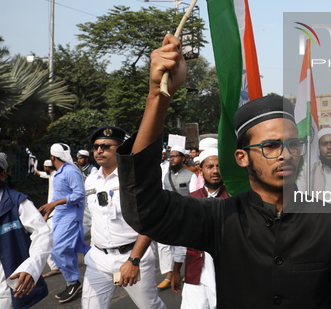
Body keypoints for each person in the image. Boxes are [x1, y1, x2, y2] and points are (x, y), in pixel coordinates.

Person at [117, 34, 331, 308]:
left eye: (293, 144)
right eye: (270, 146)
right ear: (242, 158)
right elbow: (144, 210)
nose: (285, 154)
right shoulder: (220, 218)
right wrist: (157, 96)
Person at [82, 126, 165, 309]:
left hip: (132, 256)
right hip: (98, 257)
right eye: (96, 147)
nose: (99, 151)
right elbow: (89, 217)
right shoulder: (91, 180)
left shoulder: (134, 179)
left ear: (120, 149)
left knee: (149, 306)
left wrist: (133, 260)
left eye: (105, 146)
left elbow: (150, 220)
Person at [0, 151, 53, 308]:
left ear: (2, 175)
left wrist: (31, 267)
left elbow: (43, 234)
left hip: (1, 291)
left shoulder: (16, 203)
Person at [171, 147, 229, 309]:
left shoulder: (233, 198)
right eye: (210, 167)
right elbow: (182, 240)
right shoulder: (192, 200)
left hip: (225, 272)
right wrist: (176, 270)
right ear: (200, 170)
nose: (215, 171)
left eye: (219, 166)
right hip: (195, 272)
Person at [37, 143, 89, 303]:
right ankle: (72, 283)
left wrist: (55, 204)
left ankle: (74, 281)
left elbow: (79, 194)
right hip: (60, 215)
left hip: (71, 215)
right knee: (65, 249)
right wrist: (48, 212)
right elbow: (56, 196)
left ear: (53, 157)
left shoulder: (70, 171)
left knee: (58, 248)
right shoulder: (60, 172)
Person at [157, 144, 197, 290]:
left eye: (175, 156)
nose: (171, 159)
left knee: (183, 247)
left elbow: (194, 198)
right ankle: (169, 275)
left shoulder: (191, 176)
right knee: (164, 245)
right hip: (168, 216)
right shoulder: (166, 176)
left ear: (183, 158)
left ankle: (181, 272)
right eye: (170, 156)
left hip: (185, 217)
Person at [35, 160, 61, 278]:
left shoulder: (56, 177)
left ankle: (56, 266)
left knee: (47, 239)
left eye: (44, 166)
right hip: (52, 212)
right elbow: (42, 174)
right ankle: (56, 266)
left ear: (47, 167)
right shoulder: (52, 175)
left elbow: (57, 197)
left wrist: (48, 212)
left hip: (55, 212)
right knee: (49, 239)